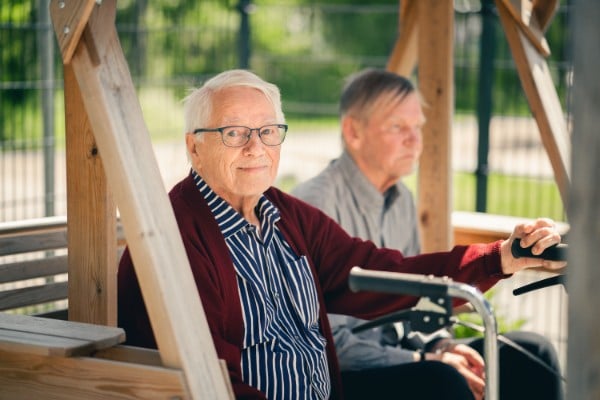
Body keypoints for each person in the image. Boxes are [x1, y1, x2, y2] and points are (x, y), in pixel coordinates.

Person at [117, 69, 565, 400]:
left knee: (526, 362)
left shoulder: (285, 215)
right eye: (234, 133)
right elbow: (205, 381)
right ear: (194, 145)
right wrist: (426, 360)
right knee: (441, 385)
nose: (256, 148)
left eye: (269, 132)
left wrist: (500, 258)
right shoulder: (176, 235)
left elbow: (379, 275)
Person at [292, 68, 564, 400]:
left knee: (532, 355)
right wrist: (424, 358)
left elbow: (418, 302)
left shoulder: (402, 199)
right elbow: (326, 343)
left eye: (418, 127)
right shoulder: (313, 206)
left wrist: (442, 342)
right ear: (353, 132)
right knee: (444, 380)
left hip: (405, 358)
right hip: (342, 375)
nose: (415, 140)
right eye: (398, 127)